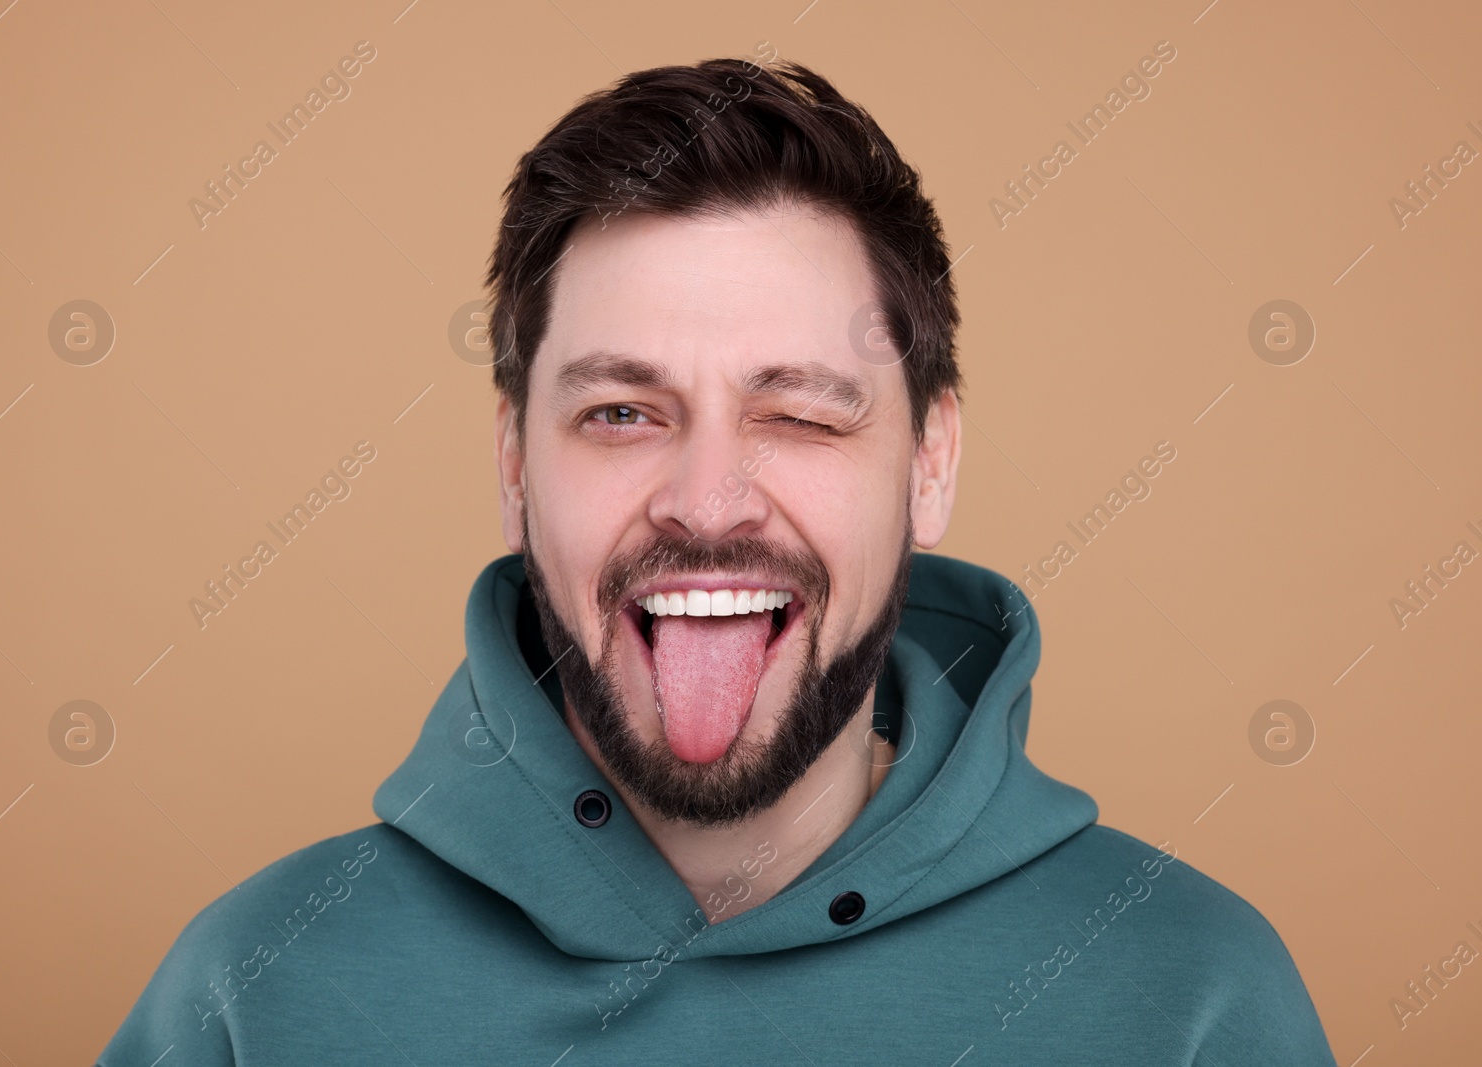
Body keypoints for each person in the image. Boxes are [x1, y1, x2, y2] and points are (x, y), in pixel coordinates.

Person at [101, 54, 1334, 1065]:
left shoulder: (1190, 995)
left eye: (799, 411)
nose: (706, 503)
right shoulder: (255, 992)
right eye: (622, 414)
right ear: (515, 464)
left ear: (930, 461)